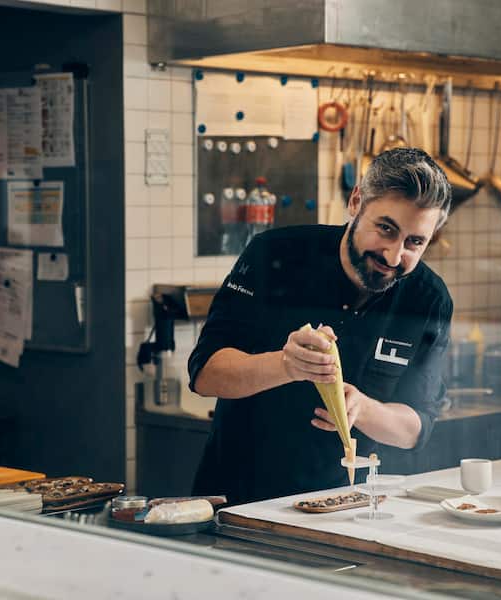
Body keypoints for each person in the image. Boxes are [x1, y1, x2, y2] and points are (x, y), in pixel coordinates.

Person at [188, 147, 454, 505]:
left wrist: (363, 408)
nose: (393, 256)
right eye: (385, 229)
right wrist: (285, 365)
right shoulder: (274, 254)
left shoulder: (428, 300)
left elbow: (415, 428)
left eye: (414, 242)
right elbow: (205, 374)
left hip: (346, 507)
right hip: (240, 501)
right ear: (356, 201)